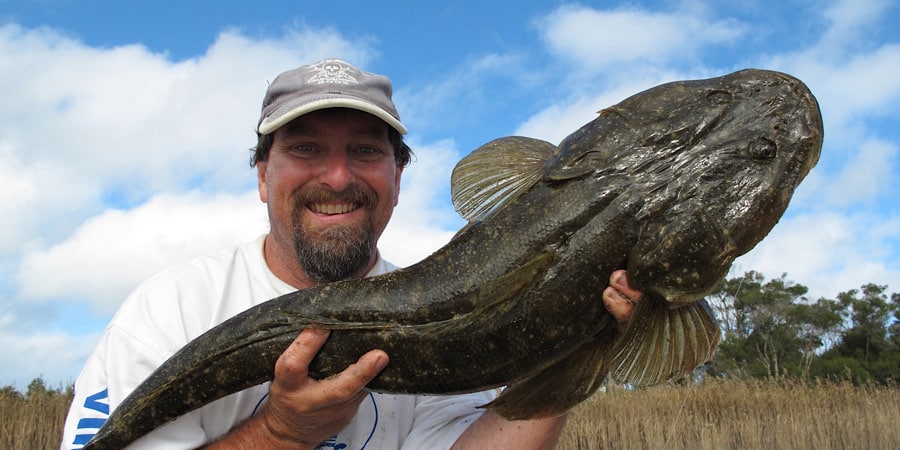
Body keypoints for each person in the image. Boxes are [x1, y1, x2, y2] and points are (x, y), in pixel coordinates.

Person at [61, 58, 642, 449]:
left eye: (365, 151)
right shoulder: (171, 310)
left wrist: (577, 343)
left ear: (398, 177)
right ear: (264, 177)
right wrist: (281, 434)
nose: (338, 177)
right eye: (307, 148)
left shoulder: (457, 318)